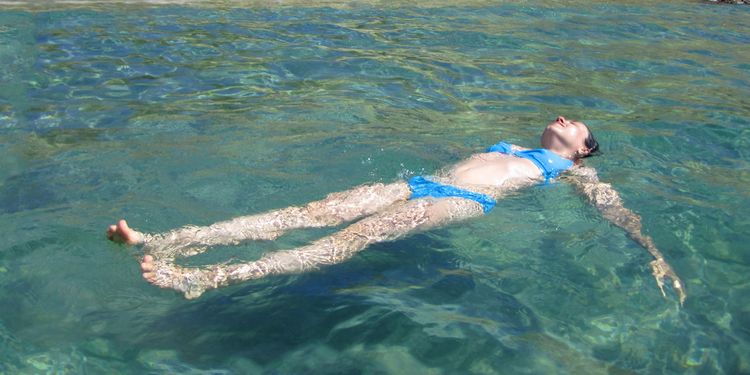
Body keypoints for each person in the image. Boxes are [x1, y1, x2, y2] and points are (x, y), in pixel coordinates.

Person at [107, 116, 686, 304]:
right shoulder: (512, 146)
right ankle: (166, 239)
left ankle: (207, 278)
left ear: (583, 149)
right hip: (418, 184)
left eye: (575, 123)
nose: (563, 117)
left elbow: (618, 213)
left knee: (344, 242)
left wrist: (655, 255)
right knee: (301, 213)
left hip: (462, 204)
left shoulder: (578, 175)